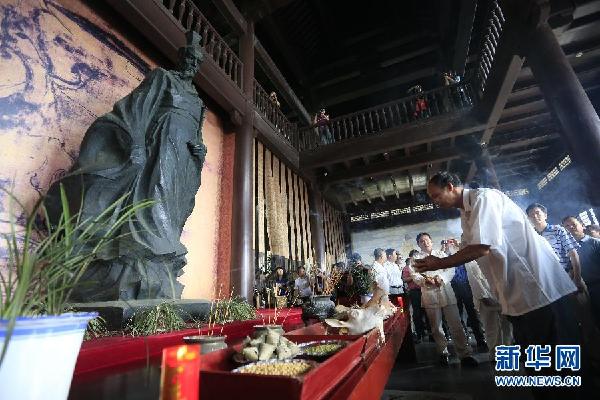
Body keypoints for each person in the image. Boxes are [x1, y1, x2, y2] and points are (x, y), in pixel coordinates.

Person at [415, 172, 582, 398]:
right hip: (516, 295)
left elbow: (482, 247)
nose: (435, 201)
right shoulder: (466, 213)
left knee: (552, 364)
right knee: (535, 364)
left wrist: (441, 262)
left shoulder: (484, 198)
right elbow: (470, 249)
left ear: (451, 186)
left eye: (436, 195)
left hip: (537, 290)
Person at [411, 233, 478, 367]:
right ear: (418, 244)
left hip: (446, 291)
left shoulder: (441, 254)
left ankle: (464, 354)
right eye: (421, 241)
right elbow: (414, 275)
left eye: (427, 240)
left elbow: (451, 269)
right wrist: (425, 280)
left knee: (456, 324)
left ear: (431, 241)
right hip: (429, 294)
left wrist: (440, 278)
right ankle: (443, 353)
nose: (425, 243)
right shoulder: (416, 259)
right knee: (436, 327)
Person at [442, 239, 487, 352]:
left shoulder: (463, 254)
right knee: (459, 316)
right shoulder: (444, 257)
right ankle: (465, 340)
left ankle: (480, 340)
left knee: (473, 315)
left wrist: (460, 246)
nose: (450, 245)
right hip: (453, 289)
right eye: (448, 243)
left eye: (451, 243)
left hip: (467, 287)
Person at [526, 203, 584, 291]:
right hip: (549, 281)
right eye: (531, 215)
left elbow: (573, 254)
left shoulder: (557, 230)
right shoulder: (531, 236)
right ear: (528, 219)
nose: (534, 216)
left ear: (545, 215)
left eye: (537, 213)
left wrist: (577, 280)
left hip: (568, 276)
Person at [563, 216, 600, 328]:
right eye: (567, 226)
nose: (571, 227)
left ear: (582, 226)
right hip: (582, 289)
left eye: (573, 224)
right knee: (594, 319)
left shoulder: (595, 243)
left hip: (597, 285)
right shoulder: (566, 250)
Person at [402, 254, 427, 343]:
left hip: (425, 290)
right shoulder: (407, 268)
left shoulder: (422, 265)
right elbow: (405, 279)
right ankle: (419, 334)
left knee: (427, 312)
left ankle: (429, 333)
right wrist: (414, 276)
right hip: (415, 292)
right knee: (417, 313)